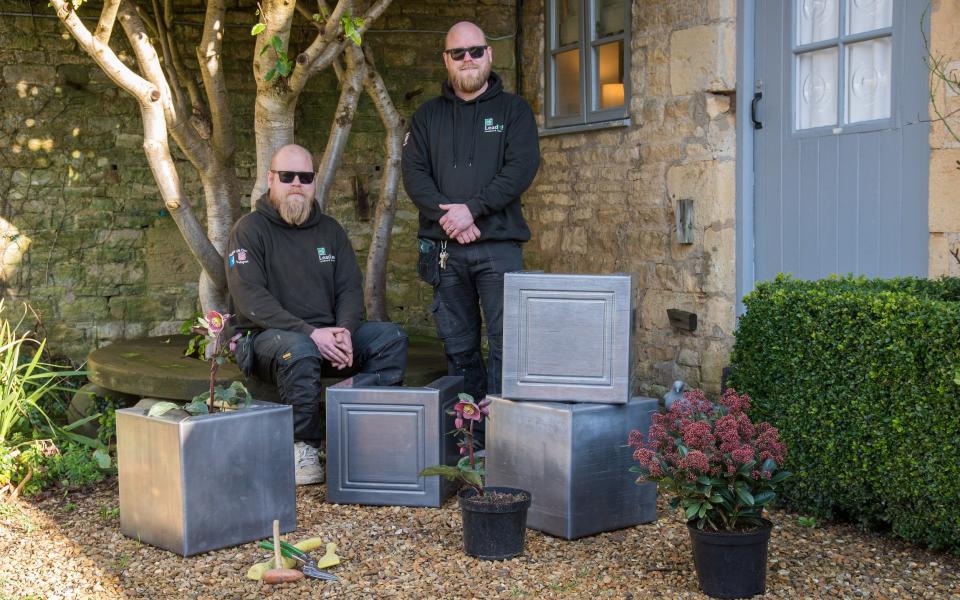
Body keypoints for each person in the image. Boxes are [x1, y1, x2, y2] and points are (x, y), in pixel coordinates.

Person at [225, 144, 408, 485]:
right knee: (301, 350)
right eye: (287, 176)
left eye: (305, 177)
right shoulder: (249, 230)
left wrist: (344, 332)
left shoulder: (331, 231)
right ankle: (303, 446)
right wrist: (312, 334)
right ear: (270, 180)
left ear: (313, 183)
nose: (296, 183)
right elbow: (251, 299)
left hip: (328, 338)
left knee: (390, 338)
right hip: (268, 339)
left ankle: (357, 432)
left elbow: (350, 289)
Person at [401, 21, 540, 402]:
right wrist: (451, 219)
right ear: (446, 60)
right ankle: (469, 433)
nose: (467, 59)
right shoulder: (427, 117)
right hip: (445, 250)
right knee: (458, 344)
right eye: (457, 53)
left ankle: (502, 429)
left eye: (475, 51)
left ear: (489, 55)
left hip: (498, 246)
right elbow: (414, 175)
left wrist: (472, 211)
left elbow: (520, 168)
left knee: (505, 343)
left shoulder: (514, 111)